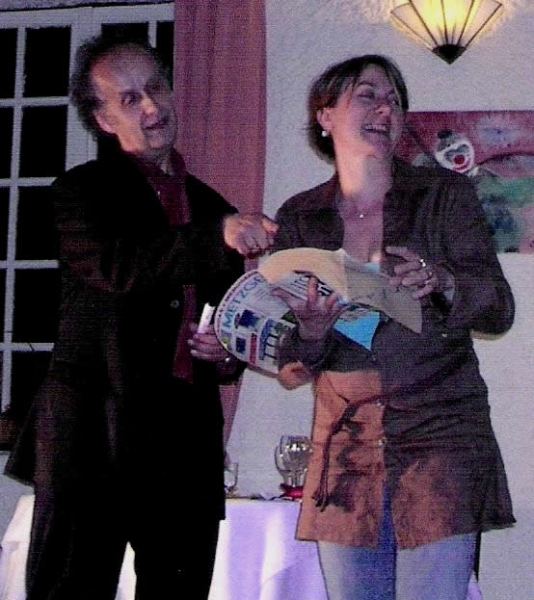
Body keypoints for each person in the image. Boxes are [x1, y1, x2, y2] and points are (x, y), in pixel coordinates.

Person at [5, 35, 276, 600]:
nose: (152, 106)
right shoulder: (79, 192)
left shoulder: (211, 204)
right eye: (130, 99)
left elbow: (228, 316)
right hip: (92, 441)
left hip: (185, 446)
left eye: (155, 88)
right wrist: (217, 236)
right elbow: (118, 266)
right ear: (104, 120)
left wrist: (226, 353)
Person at [271, 55, 515, 600]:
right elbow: (288, 366)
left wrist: (443, 280)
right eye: (368, 95)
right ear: (325, 115)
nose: (386, 109)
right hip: (345, 448)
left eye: (395, 100)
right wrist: (311, 332)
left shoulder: (443, 196)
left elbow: (499, 307)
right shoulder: (300, 217)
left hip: (440, 439)